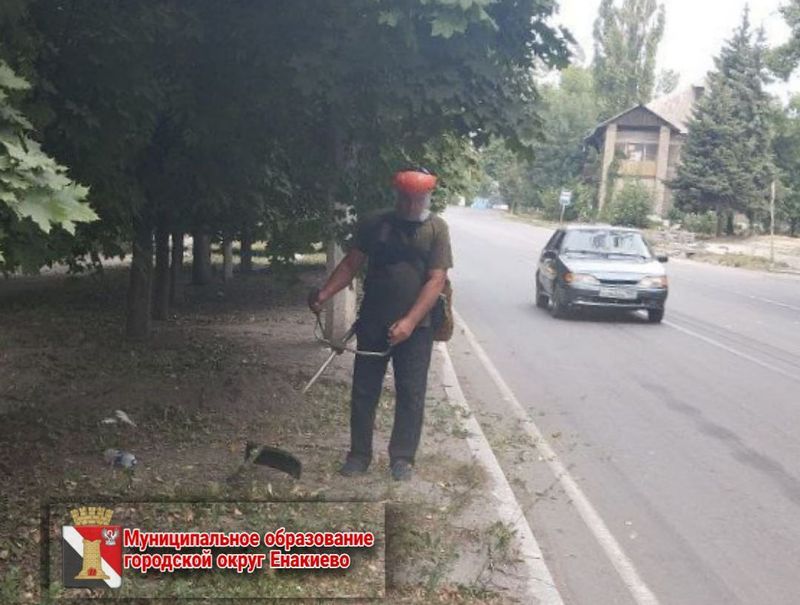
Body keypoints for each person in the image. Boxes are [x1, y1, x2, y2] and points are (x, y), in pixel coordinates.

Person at [308, 168, 453, 481]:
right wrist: (324, 294)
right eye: (405, 198)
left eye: (416, 199)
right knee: (364, 390)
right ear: (397, 196)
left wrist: (410, 322)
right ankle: (358, 455)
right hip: (373, 321)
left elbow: (436, 279)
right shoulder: (375, 223)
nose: (410, 205)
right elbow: (351, 264)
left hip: (418, 329)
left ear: (426, 198)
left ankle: (402, 459)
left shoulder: (436, 229)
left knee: (411, 393)